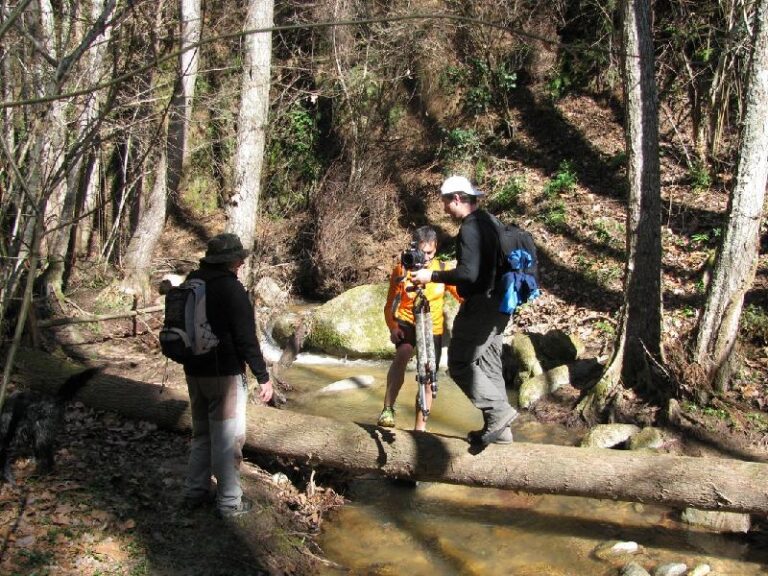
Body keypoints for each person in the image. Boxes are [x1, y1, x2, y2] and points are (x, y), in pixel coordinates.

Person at [410, 176, 518, 446]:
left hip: (482, 304)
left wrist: (432, 276)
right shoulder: (491, 221)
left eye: (446, 202)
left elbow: (469, 274)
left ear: (457, 198)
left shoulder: (471, 228)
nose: (445, 208)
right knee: (490, 364)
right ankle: (501, 433)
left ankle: (499, 412)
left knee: (459, 363)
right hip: (502, 304)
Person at [181, 233, 273, 518]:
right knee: (228, 439)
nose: (242, 262)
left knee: (202, 435)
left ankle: (194, 492)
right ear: (231, 261)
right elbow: (246, 339)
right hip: (225, 376)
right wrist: (263, 376)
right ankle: (230, 502)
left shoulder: (192, 283)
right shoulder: (231, 290)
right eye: (239, 257)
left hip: (194, 371)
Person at [378, 226, 461, 431]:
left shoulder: (442, 270)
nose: (424, 258)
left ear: (436, 249)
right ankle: (388, 409)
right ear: (413, 247)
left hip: (433, 326)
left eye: (429, 253)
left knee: (428, 370)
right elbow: (390, 304)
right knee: (403, 352)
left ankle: (420, 429)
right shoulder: (402, 268)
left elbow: (462, 296)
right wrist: (393, 327)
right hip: (407, 319)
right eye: (421, 252)